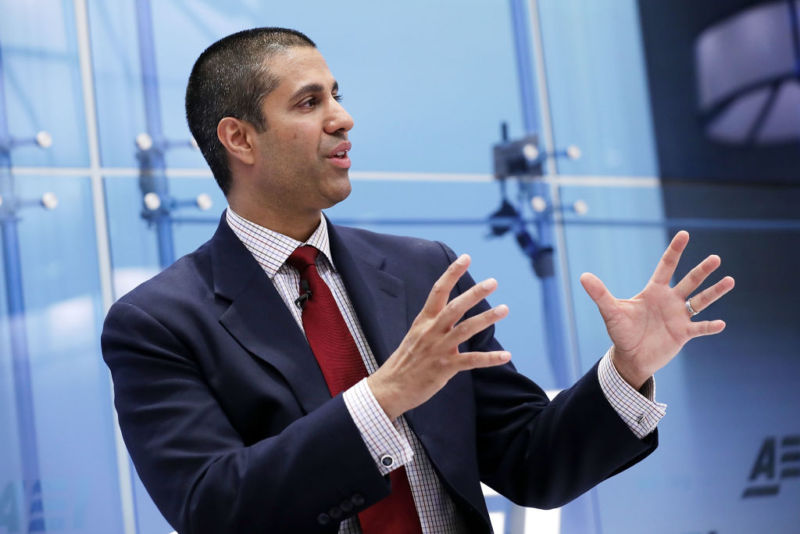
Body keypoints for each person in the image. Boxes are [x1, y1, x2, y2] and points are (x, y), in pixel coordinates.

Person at [101, 28, 734, 534]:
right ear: (239, 138)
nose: (343, 119)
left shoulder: (421, 270)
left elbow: (530, 461)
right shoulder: (157, 323)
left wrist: (626, 372)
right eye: (309, 102)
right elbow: (215, 508)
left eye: (336, 94)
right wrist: (381, 401)